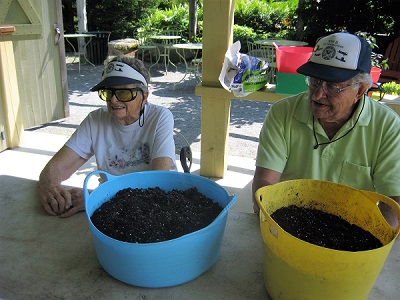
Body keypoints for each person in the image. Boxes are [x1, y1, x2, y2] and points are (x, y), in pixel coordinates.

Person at [252, 32, 400, 227]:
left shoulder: (387, 126)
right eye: (314, 81)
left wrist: (371, 241)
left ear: (361, 90)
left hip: (353, 228)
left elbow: (394, 202)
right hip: (288, 221)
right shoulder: (283, 113)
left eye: (332, 86)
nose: (318, 94)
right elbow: (264, 184)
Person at [39, 56, 177, 217]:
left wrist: (99, 200)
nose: (113, 99)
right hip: (113, 205)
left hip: (157, 204)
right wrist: (49, 187)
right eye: (108, 92)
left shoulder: (160, 117)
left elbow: (157, 181)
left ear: (144, 96)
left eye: (124, 93)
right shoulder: (95, 120)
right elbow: (56, 168)